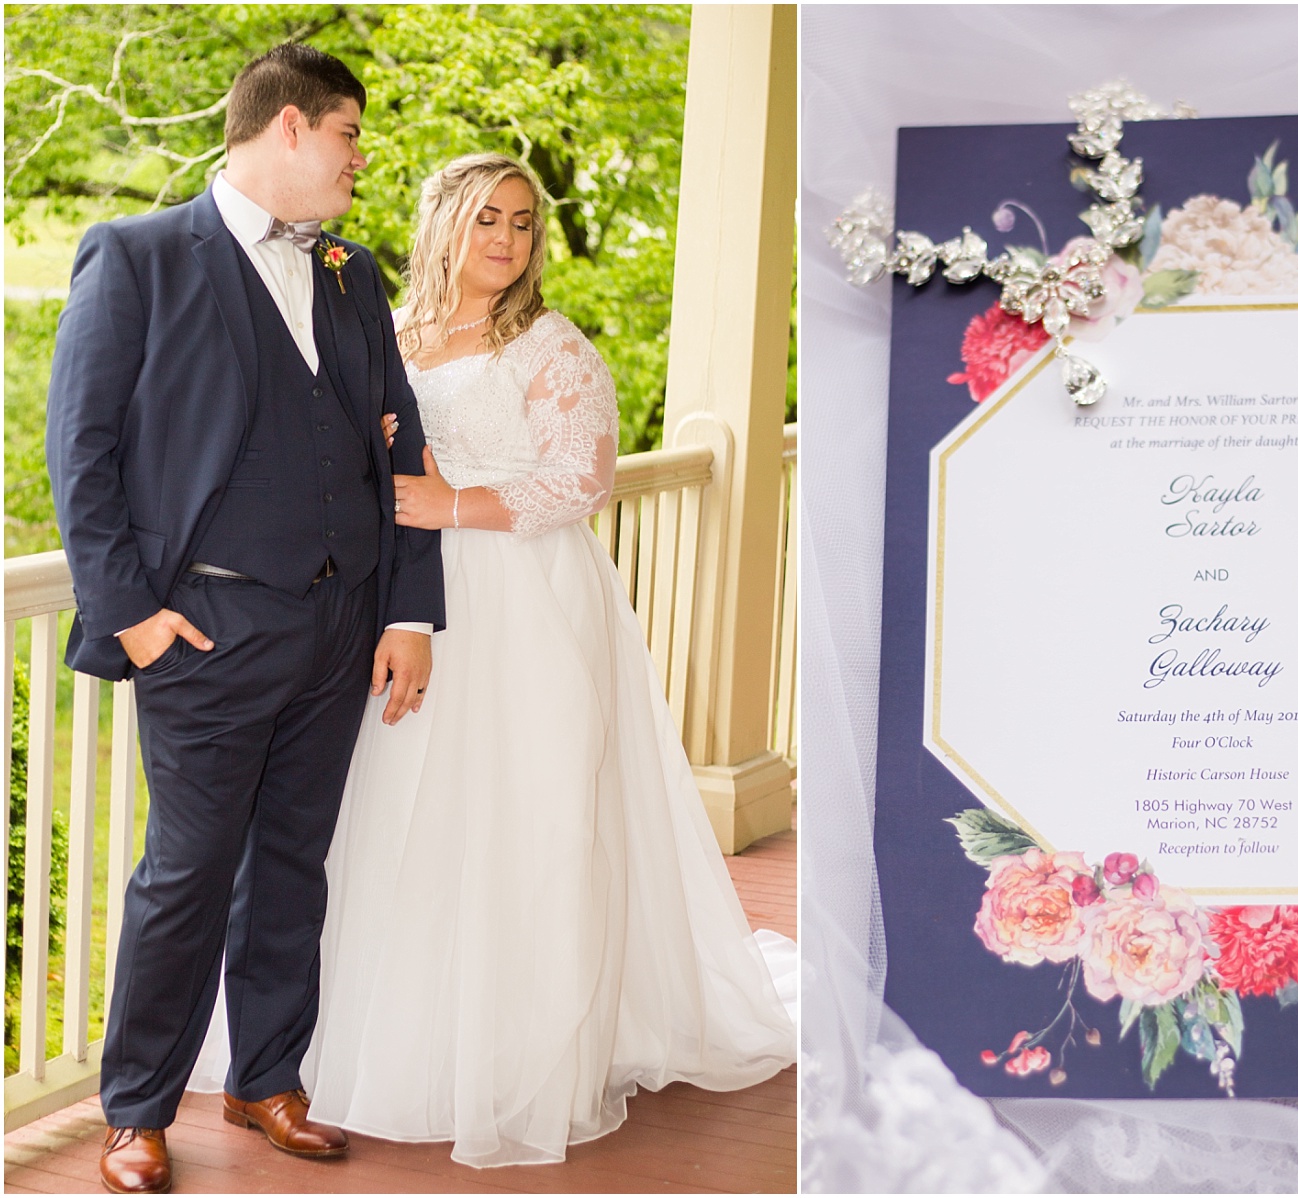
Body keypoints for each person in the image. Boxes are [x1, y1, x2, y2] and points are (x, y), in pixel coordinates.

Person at [290, 152, 797, 1167]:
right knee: (404, 814)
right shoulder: (388, 333)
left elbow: (584, 479)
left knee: (532, 811)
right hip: (410, 601)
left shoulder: (552, 344)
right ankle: (401, 1042)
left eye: (523, 224)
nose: (507, 242)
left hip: (526, 596)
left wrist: (452, 504)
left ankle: (528, 1052)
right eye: (487, 220)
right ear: (443, 223)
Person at [44, 44, 445, 1195]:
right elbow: (84, 457)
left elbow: (398, 446)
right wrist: (135, 618)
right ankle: (136, 1109)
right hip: (205, 629)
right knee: (185, 871)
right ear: (287, 130)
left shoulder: (349, 274)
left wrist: (408, 611)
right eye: (349, 134)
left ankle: (267, 1077)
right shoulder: (138, 258)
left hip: (338, 630)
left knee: (292, 868)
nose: (360, 158)